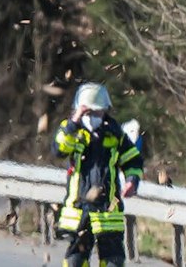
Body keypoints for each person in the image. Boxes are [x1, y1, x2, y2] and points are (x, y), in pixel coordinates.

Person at [55, 82, 144, 267]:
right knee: (75, 261)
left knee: (113, 261)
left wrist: (132, 180)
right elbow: (60, 149)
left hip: (107, 213)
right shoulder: (72, 131)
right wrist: (74, 122)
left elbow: (133, 161)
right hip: (79, 211)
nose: (93, 117)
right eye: (88, 113)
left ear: (105, 111)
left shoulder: (115, 134)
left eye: (97, 113)